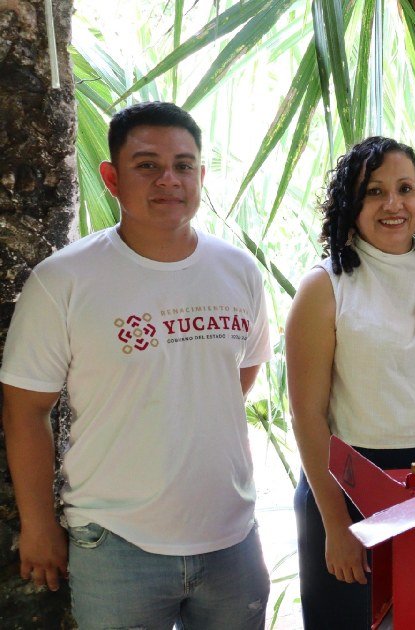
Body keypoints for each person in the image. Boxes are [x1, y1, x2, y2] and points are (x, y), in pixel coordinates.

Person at [0, 102, 271, 628]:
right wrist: (37, 526)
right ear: (112, 178)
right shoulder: (65, 281)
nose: (169, 179)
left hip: (231, 540)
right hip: (117, 544)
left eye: (184, 165)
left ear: (201, 175)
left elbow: (237, 376)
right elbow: (24, 411)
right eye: (147, 165)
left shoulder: (238, 271)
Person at [285, 137, 415, 629]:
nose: (393, 204)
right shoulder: (324, 286)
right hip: (352, 487)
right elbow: (306, 415)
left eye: (405, 189)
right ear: (351, 202)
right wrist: (335, 525)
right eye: (374, 191)